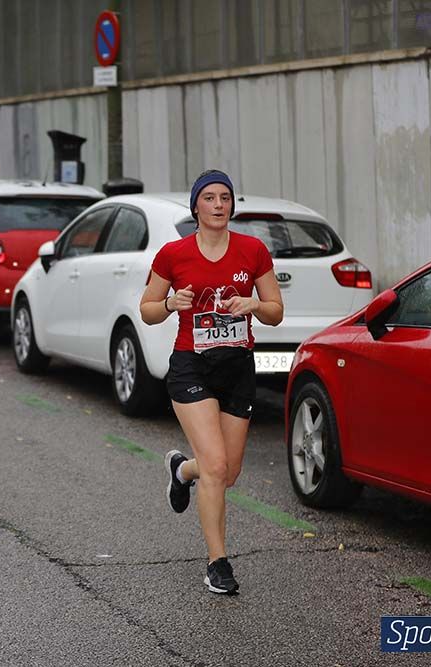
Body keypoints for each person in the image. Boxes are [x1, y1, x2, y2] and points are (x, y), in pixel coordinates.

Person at [141, 170, 283, 595]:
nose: (219, 205)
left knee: (227, 472)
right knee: (216, 468)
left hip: (237, 367)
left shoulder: (253, 250)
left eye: (225, 197)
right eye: (209, 198)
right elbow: (147, 310)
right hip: (192, 366)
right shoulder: (173, 254)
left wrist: (254, 304)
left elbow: (276, 312)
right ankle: (217, 563)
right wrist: (170, 303)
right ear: (196, 206)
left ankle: (182, 470)